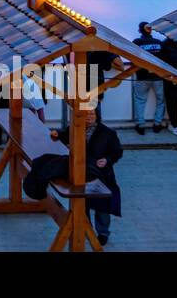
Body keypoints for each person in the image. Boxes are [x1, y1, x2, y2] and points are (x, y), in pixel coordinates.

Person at [54, 112, 123, 245]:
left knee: (102, 206)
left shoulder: (108, 133)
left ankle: (103, 233)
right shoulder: (75, 129)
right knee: (82, 202)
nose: (90, 117)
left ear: (97, 115)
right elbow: (63, 136)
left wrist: (107, 160)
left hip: (101, 174)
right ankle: (86, 228)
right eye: (86, 114)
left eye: (92, 114)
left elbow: (117, 151)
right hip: (81, 173)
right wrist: (57, 134)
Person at [131, 22, 166, 134]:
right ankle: (157, 124)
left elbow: (132, 58)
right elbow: (164, 60)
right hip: (158, 77)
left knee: (140, 100)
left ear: (140, 30)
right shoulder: (159, 43)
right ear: (151, 30)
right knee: (161, 101)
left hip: (142, 76)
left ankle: (141, 126)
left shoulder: (137, 42)